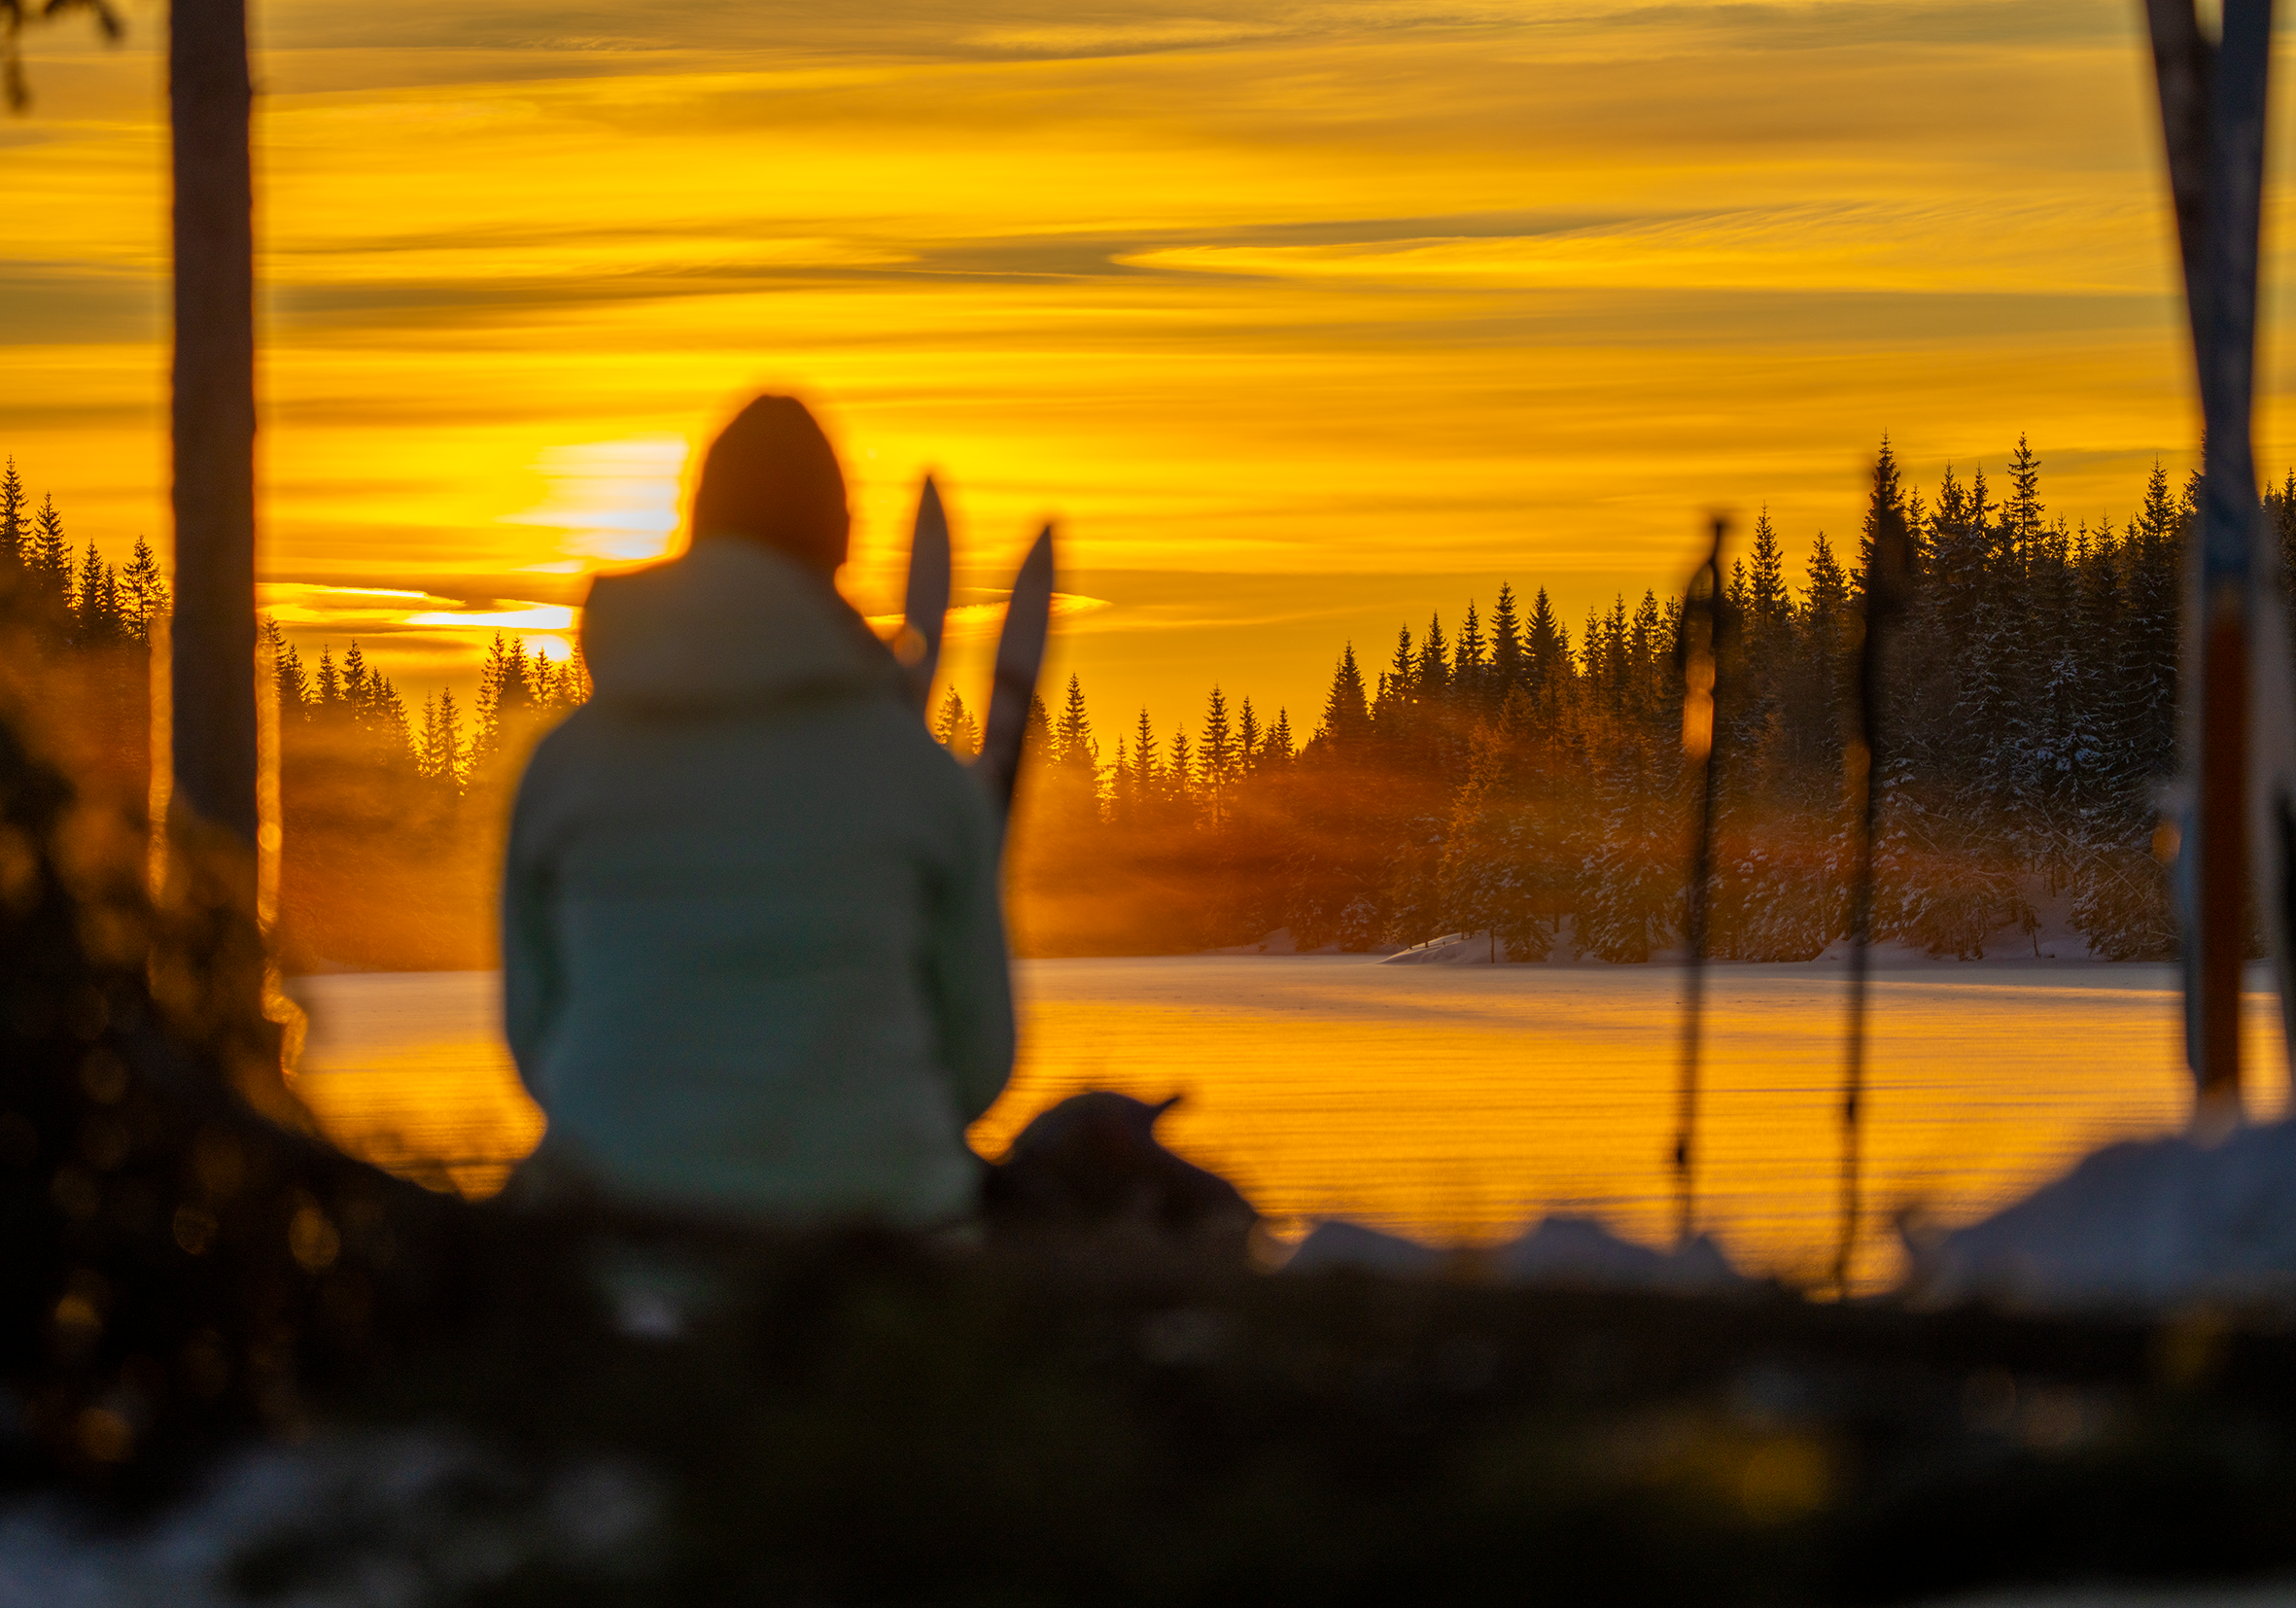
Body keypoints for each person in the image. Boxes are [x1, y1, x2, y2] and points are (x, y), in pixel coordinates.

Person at [501, 395, 1015, 1227]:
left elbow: (536, 1041)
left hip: (622, 1229)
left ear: (691, 529)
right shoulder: (921, 777)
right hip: (877, 1239)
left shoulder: (566, 769)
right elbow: (980, 1062)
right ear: (842, 544)